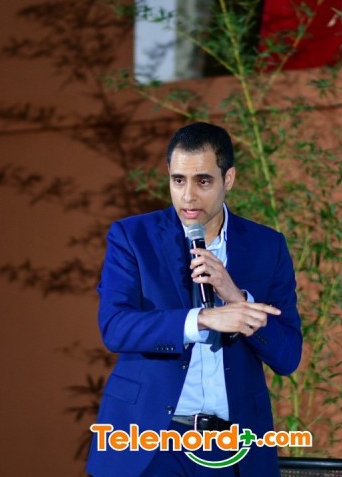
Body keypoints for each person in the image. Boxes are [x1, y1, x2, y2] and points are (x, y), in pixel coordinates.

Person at [86, 122, 302, 476]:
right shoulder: (133, 236)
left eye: (203, 181)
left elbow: (288, 356)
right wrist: (200, 319)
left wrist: (237, 298)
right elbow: (116, 327)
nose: (187, 196)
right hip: (151, 443)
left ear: (228, 179)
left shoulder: (268, 246)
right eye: (178, 180)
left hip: (231, 448)